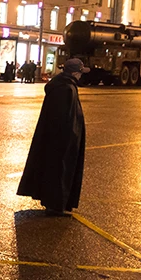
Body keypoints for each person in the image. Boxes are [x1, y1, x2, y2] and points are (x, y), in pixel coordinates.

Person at [17, 57, 89, 216]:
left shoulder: (61, 85)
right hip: (61, 141)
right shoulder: (66, 89)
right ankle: (56, 204)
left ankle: (53, 203)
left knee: (53, 169)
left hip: (55, 139)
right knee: (60, 170)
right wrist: (71, 139)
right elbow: (64, 118)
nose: (81, 76)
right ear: (75, 73)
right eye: (80, 73)